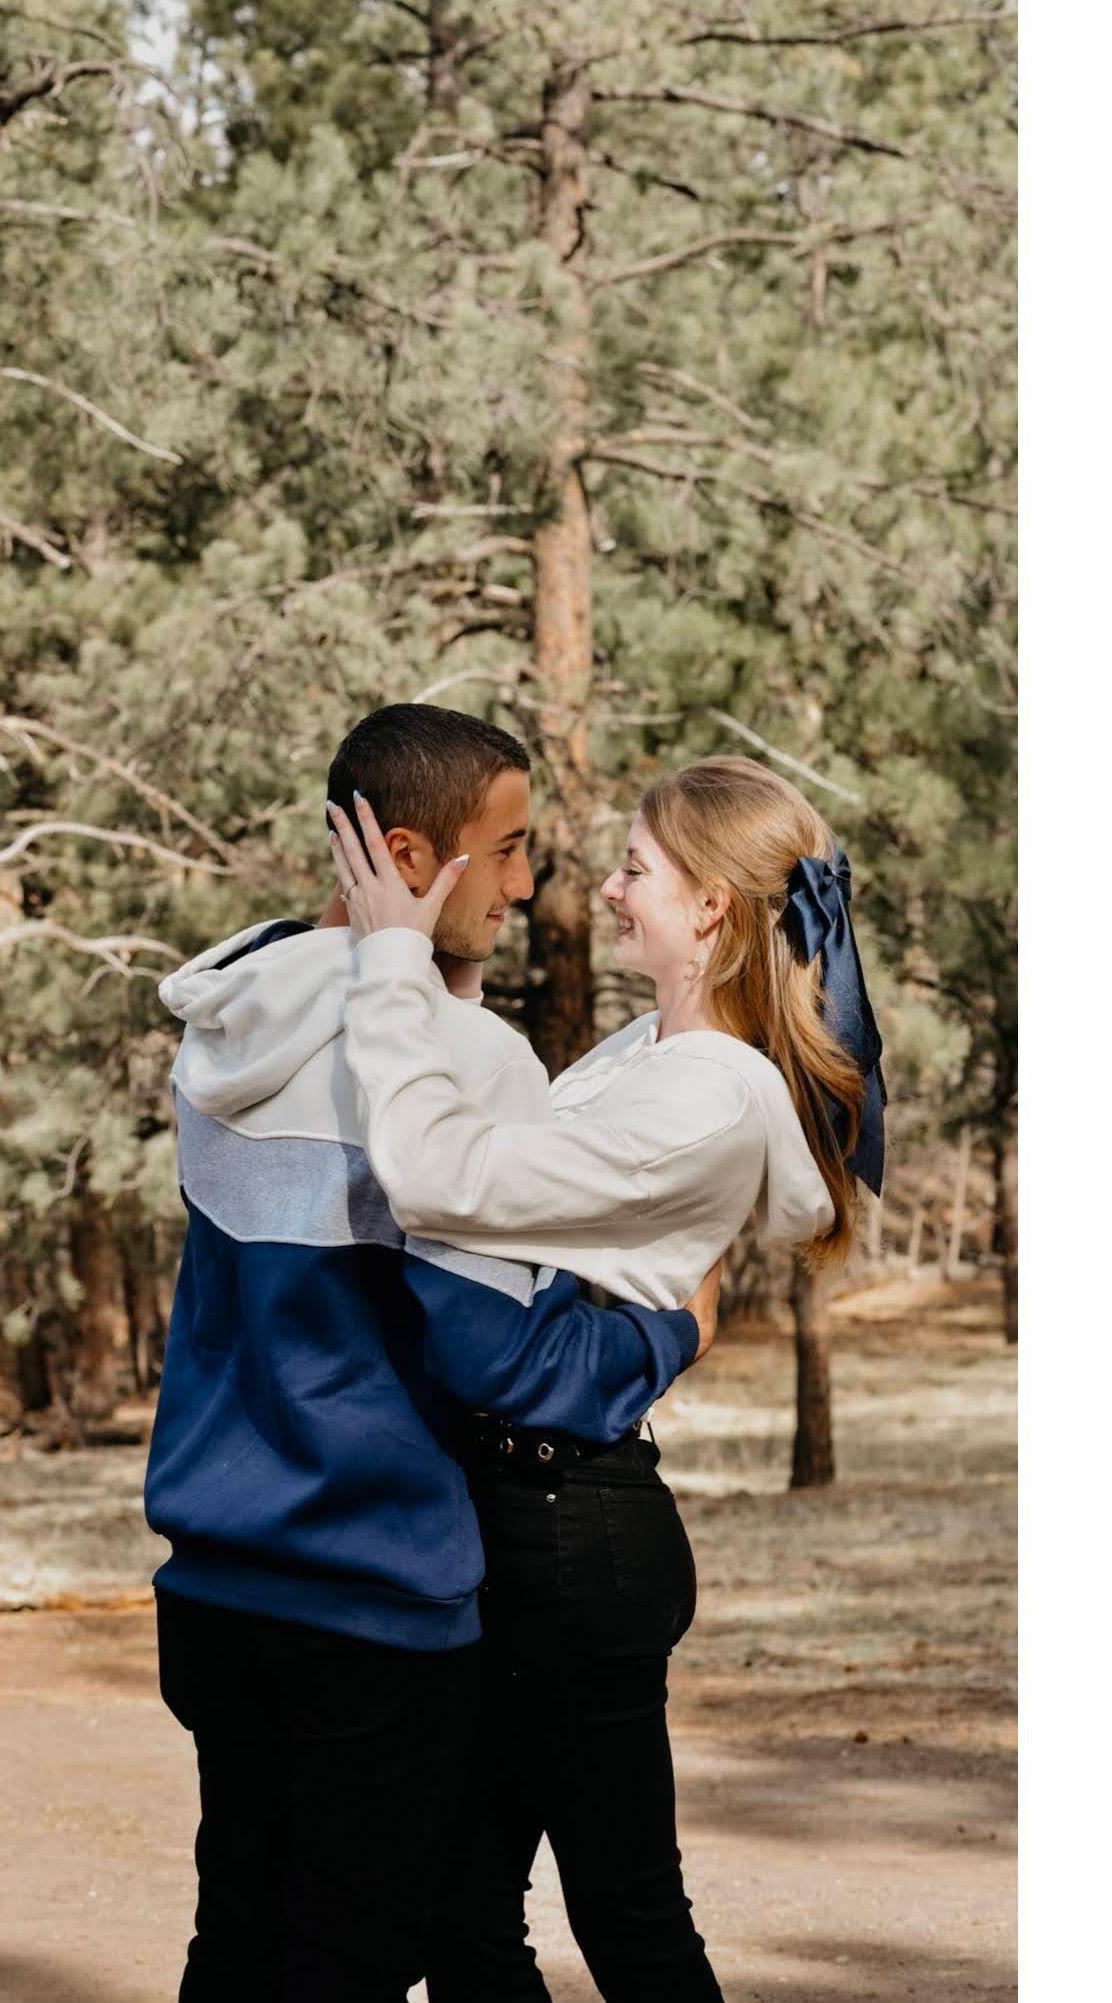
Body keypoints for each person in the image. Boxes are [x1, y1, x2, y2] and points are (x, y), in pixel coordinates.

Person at [144, 704, 723, 2003]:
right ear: (408, 857)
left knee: (235, 1936)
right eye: (505, 850)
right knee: (357, 1958)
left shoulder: (223, 1021)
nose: (527, 883)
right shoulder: (452, 1060)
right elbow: (502, 1363)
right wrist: (669, 1323)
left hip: (215, 1586)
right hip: (370, 1593)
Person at [325, 753, 886, 2003]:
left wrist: (388, 965)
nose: (608, 888)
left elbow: (441, 1181)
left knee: (624, 1920)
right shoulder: (652, 1047)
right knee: (462, 1914)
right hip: (528, 1511)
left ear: (711, 912)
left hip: (571, 1532)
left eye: (637, 868)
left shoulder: (710, 1090)